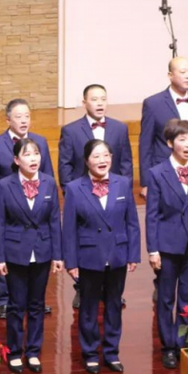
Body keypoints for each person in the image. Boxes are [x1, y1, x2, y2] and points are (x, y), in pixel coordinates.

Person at [139, 57, 188, 302]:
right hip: (165, 175)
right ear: (170, 75)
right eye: (183, 71)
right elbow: (146, 142)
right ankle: (162, 281)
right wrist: (145, 181)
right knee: (169, 225)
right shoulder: (153, 103)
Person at [63, 140, 140, 374]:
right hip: (89, 256)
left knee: (114, 305)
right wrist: (71, 261)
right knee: (88, 308)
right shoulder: (75, 188)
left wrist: (133, 254)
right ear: (86, 161)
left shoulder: (123, 183)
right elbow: (69, 229)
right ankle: (90, 353)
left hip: (117, 253)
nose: (102, 160)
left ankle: (111, 353)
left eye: (106, 155)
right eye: (96, 156)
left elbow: (132, 222)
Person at [58, 83, 133, 308]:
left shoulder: (120, 128)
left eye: (103, 99)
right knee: (85, 242)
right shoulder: (71, 130)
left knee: (113, 240)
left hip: (114, 196)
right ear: (84, 103)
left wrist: (123, 190)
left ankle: (113, 291)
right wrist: (73, 194)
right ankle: (83, 288)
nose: (100, 103)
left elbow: (126, 162)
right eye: (94, 99)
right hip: (84, 197)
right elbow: (65, 165)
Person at [146, 119, 188, 369]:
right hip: (167, 245)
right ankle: (168, 346)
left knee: (187, 296)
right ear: (170, 143)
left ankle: (182, 341)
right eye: (182, 140)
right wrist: (152, 249)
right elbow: (152, 214)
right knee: (165, 298)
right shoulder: (157, 173)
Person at [0, 138, 63, 374]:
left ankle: (33, 351)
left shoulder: (49, 183)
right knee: (15, 305)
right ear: (16, 160)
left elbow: (54, 220)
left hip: (42, 252)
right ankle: (14, 351)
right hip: (14, 252)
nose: (33, 159)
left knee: (37, 304)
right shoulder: (4, 185)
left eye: (36, 154)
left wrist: (58, 255)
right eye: (27, 154)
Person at [0, 99, 54, 319]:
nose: (24, 120)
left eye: (27, 116)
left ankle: (35, 300)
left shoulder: (40, 142)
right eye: (18, 116)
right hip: (8, 208)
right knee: (6, 253)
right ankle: (3, 300)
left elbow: (48, 177)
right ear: (8, 119)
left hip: (35, 207)